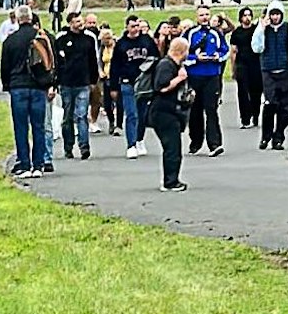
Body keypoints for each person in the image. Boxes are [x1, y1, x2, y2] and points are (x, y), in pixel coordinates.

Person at [0, 5, 54, 179]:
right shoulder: (41, 37)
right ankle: (39, 164)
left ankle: (24, 163)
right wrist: (50, 83)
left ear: (16, 18)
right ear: (31, 18)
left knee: (21, 127)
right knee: (38, 126)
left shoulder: (11, 40)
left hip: (18, 86)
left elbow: (5, 66)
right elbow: (51, 62)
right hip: (38, 86)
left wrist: (7, 85)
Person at [148, 36, 193, 192]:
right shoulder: (166, 65)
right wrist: (179, 79)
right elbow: (161, 87)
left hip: (172, 111)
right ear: (182, 51)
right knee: (172, 147)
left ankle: (173, 179)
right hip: (163, 112)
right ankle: (170, 182)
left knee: (174, 147)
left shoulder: (175, 65)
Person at [110, 15, 158, 159]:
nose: (136, 29)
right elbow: (115, 66)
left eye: (137, 26)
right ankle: (131, 145)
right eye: (133, 26)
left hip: (144, 83)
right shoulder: (121, 44)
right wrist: (113, 86)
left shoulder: (147, 40)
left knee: (142, 114)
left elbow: (156, 58)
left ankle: (139, 140)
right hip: (127, 82)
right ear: (127, 27)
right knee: (132, 114)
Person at [55, 11, 101, 160]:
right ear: (70, 23)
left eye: (81, 22)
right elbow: (57, 61)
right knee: (68, 116)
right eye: (77, 22)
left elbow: (94, 59)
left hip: (83, 82)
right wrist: (57, 80)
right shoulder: (61, 38)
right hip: (67, 82)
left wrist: (94, 80)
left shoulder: (89, 38)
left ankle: (84, 146)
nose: (80, 25)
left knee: (82, 115)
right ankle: (68, 146)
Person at [185, 5, 230, 157]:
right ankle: (196, 141)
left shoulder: (216, 33)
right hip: (195, 75)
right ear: (196, 17)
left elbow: (225, 50)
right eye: (202, 15)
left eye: (207, 15)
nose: (205, 17)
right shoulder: (190, 33)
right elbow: (182, 54)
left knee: (211, 109)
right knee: (195, 110)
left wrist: (218, 56)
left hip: (212, 75)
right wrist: (195, 58)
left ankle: (215, 144)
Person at [251, 1, 288, 151]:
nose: (275, 17)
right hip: (268, 70)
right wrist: (261, 29)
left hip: (284, 71)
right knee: (270, 104)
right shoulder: (263, 29)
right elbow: (257, 48)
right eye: (272, 14)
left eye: (277, 14)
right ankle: (266, 136)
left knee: (284, 107)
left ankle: (278, 138)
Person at [229, 6, 262, 131]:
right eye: (245, 15)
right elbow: (233, 51)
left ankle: (255, 115)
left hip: (255, 64)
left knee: (256, 91)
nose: (247, 17)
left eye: (249, 15)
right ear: (241, 17)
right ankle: (245, 118)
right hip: (242, 64)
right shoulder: (237, 33)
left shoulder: (256, 30)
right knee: (242, 92)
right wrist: (233, 69)